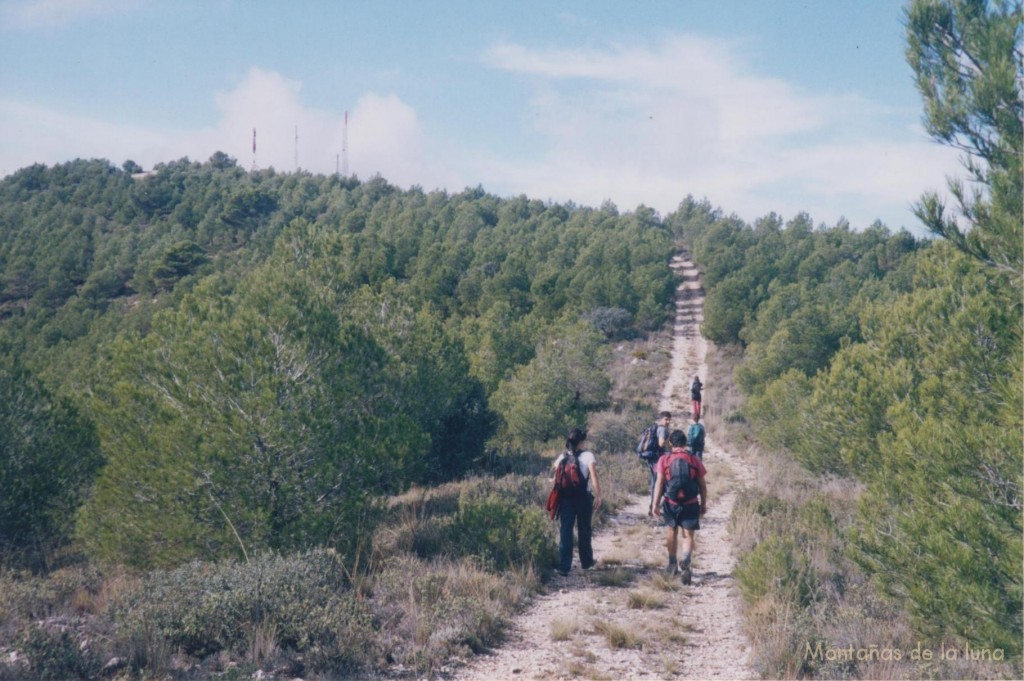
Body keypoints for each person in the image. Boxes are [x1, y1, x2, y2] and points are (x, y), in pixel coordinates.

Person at [651, 429, 707, 584]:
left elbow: (659, 483)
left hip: (671, 503)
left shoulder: (664, 459)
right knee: (688, 535)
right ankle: (686, 562)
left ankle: (672, 564)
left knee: (672, 531)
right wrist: (704, 504)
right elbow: (702, 485)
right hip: (690, 502)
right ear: (685, 442)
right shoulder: (694, 459)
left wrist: (654, 504)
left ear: (671, 443)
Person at [552, 427, 602, 576]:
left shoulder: (562, 457)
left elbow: (555, 474)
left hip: (566, 499)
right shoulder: (588, 456)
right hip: (583, 498)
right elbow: (593, 476)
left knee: (565, 531)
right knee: (584, 529)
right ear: (581, 441)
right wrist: (599, 495)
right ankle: (586, 562)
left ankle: (564, 566)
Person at [644, 411, 672, 516]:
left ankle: (653, 507)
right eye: (666, 419)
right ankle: (653, 508)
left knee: (655, 483)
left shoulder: (657, 428)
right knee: (658, 484)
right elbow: (661, 444)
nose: (668, 421)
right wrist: (668, 439)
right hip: (658, 460)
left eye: (669, 419)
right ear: (661, 419)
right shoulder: (663, 430)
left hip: (653, 459)